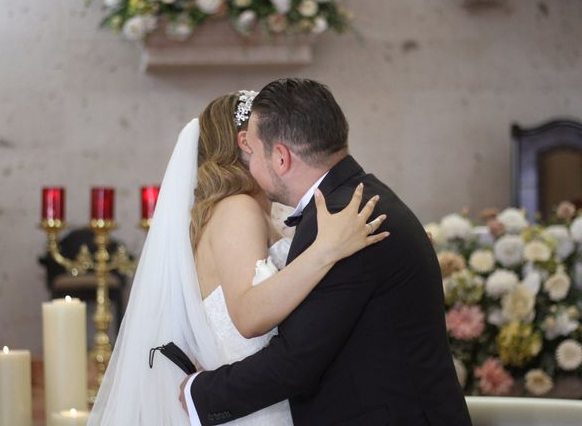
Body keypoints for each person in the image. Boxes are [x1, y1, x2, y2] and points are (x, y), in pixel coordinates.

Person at [181, 78, 473, 426]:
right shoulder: (358, 200)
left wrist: (197, 393)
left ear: (281, 157)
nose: (251, 167)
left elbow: (296, 362)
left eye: (255, 153)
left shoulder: (341, 219)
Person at [88, 90, 388, 425]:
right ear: (245, 144)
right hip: (259, 410)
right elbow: (250, 315)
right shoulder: (237, 209)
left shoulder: (255, 212)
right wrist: (327, 248)